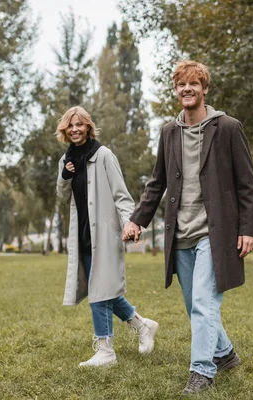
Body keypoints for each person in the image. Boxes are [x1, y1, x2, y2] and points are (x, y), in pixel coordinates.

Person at [123, 60, 253, 395]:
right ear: (176, 90)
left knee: (203, 301)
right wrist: (137, 219)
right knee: (196, 305)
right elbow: (157, 182)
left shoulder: (227, 127)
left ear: (204, 89)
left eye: (194, 84)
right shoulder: (169, 132)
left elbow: (248, 183)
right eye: (182, 84)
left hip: (216, 234)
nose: (187, 89)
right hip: (179, 234)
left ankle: (202, 371)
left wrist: (249, 228)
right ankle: (225, 354)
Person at [56, 106, 159, 367]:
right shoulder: (65, 160)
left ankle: (106, 350)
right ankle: (142, 326)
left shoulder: (103, 155)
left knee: (99, 291)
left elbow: (121, 195)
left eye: (80, 124)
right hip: (82, 236)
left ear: (88, 127)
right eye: (71, 125)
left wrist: (130, 224)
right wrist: (64, 177)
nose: (75, 129)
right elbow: (61, 197)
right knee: (104, 290)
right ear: (65, 130)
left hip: (104, 234)